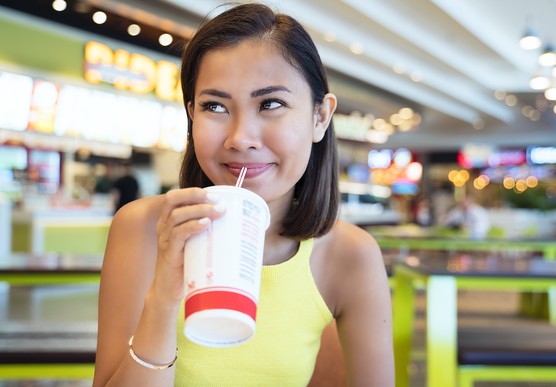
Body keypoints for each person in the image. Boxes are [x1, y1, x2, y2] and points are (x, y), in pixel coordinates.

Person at [92, 4, 394, 387]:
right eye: (214, 106)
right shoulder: (143, 228)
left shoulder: (349, 254)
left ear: (320, 117)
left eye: (271, 104)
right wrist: (164, 300)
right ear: (191, 116)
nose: (240, 138)